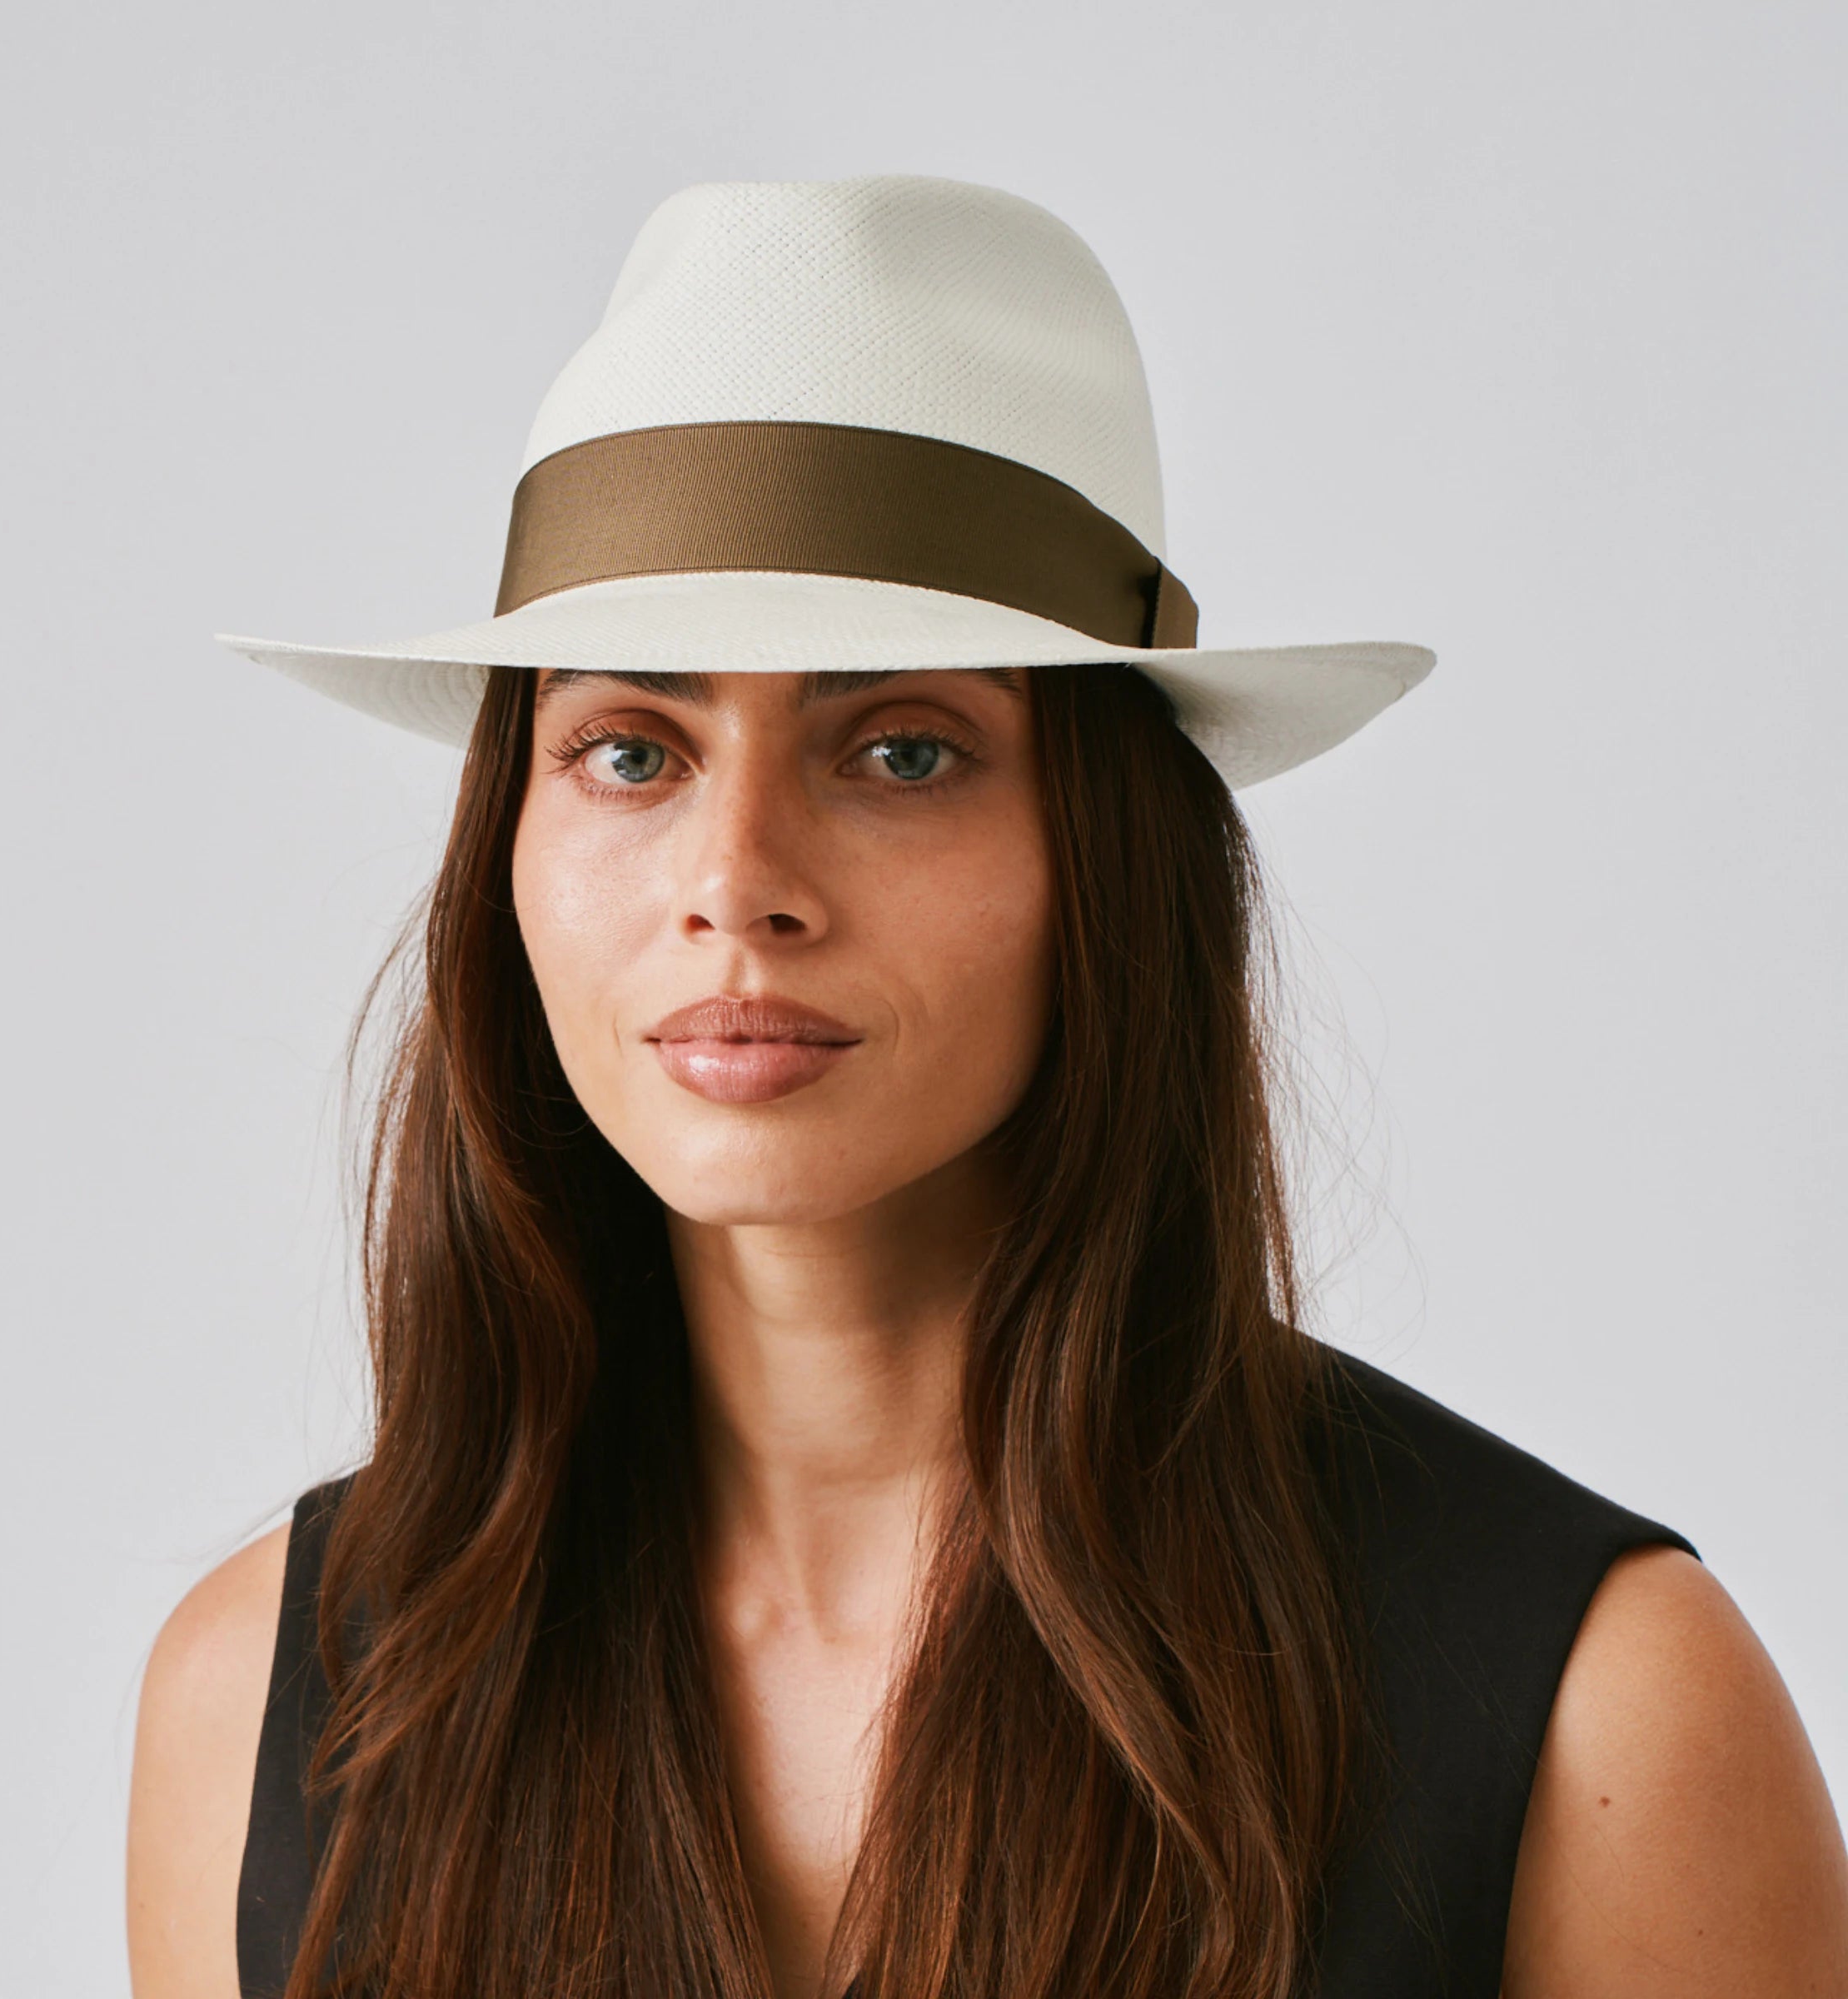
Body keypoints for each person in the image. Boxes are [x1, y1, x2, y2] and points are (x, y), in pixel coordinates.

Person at [127, 177, 1848, 1999]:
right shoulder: (263, 1706)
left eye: (902, 748)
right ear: (509, 849)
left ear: (1106, 854)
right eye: (632, 748)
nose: (740, 878)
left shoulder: (1590, 1719)